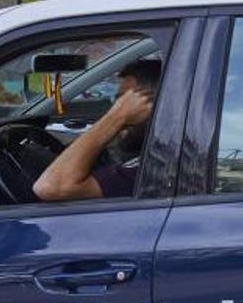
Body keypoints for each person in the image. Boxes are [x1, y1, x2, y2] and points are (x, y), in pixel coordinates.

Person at [33, 59, 160, 201]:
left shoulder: (153, 169)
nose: (118, 108)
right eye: (117, 103)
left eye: (125, 103)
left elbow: (49, 187)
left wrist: (117, 118)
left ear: (154, 105)